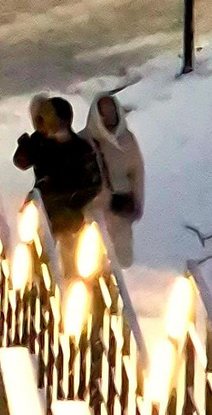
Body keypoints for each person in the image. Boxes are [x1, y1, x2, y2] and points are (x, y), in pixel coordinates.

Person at [13, 93, 106, 283]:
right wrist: (25, 145)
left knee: (71, 256)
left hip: (69, 213)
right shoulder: (40, 142)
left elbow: (94, 184)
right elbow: (21, 162)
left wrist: (72, 201)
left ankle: (71, 287)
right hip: (43, 208)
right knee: (37, 252)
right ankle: (39, 285)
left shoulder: (80, 148)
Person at [90, 92, 145, 270]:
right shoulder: (87, 140)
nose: (109, 115)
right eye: (104, 111)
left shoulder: (127, 140)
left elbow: (137, 174)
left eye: (112, 110)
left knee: (121, 260)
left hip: (121, 210)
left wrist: (137, 204)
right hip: (95, 211)